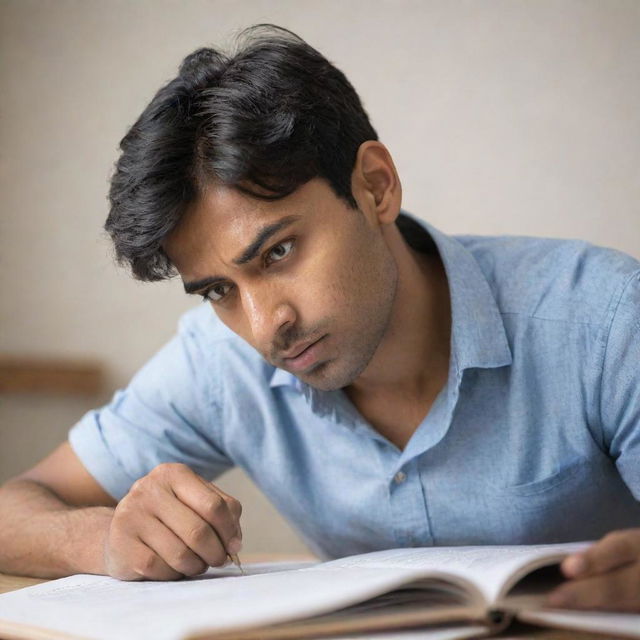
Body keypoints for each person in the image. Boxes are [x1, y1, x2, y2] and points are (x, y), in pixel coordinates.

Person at [0, 24, 639, 612]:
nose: (263, 324)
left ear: (376, 186)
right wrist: (105, 538)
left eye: (278, 252)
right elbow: (12, 510)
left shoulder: (605, 319)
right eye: (218, 289)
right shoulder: (218, 364)